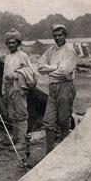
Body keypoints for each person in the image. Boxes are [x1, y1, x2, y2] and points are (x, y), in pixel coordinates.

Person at [38, 24, 77, 154]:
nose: (57, 38)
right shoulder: (51, 50)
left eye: (60, 35)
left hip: (65, 86)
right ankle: (49, 153)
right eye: (55, 36)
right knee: (48, 121)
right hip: (53, 87)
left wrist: (49, 69)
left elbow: (64, 72)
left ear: (65, 35)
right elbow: (40, 66)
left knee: (63, 121)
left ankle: (64, 154)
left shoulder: (69, 50)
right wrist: (55, 67)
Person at [2, 29, 38, 150]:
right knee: (12, 114)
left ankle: (22, 142)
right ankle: (16, 137)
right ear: (7, 44)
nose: (11, 45)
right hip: (8, 88)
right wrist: (3, 90)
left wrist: (16, 75)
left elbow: (30, 72)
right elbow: (4, 74)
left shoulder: (23, 56)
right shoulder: (7, 57)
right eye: (9, 43)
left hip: (19, 87)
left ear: (18, 43)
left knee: (21, 113)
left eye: (14, 42)